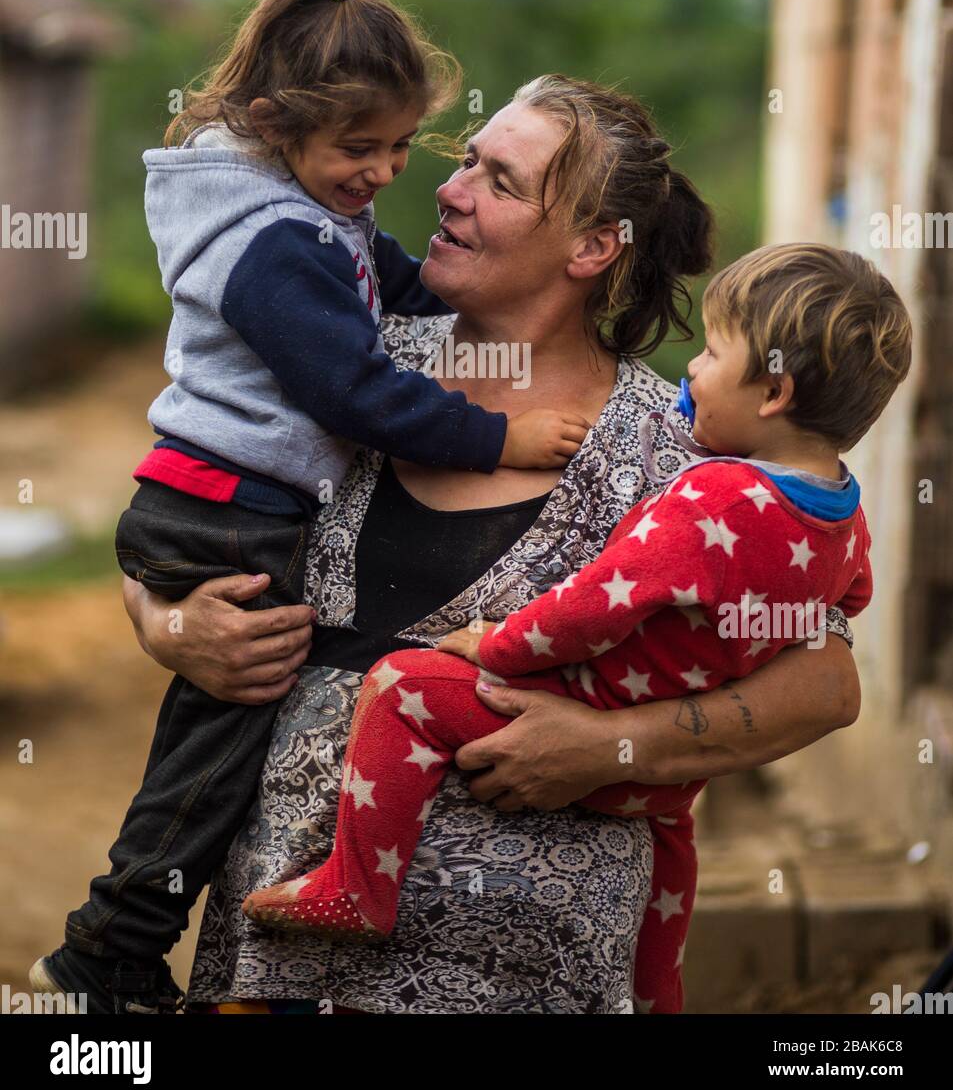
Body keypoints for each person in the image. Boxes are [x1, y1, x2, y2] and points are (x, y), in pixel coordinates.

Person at [123, 77, 863, 1016]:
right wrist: (167, 620)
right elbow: (179, 523)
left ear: (593, 247)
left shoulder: (673, 455)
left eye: (499, 180)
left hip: (519, 971)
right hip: (281, 945)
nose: (447, 187)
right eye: (465, 158)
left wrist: (612, 747)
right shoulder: (347, 363)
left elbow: (825, 682)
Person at [29, 0, 585, 1015]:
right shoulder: (273, 245)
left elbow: (394, 280)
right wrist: (502, 434)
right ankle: (108, 947)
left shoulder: (309, 210)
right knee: (220, 745)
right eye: (357, 147)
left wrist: (483, 309)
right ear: (279, 122)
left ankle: (120, 941)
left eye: (396, 146)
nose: (382, 171)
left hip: (214, 504)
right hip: (224, 512)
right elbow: (360, 393)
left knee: (216, 735)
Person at [242, 243, 912, 1014]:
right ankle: (656, 992)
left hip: (575, 714)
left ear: (772, 391)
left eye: (713, 354)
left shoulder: (711, 489)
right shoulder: (844, 518)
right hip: (656, 788)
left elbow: (600, 603)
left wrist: (497, 644)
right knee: (671, 861)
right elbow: (842, 607)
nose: (691, 369)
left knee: (401, 686)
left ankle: (357, 887)